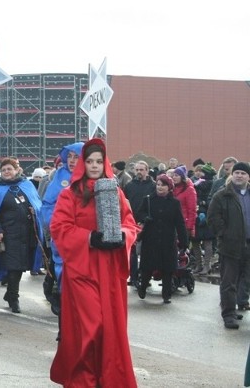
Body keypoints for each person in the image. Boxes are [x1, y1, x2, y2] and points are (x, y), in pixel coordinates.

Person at [49, 138, 138, 387]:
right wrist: (89, 238)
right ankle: (83, 379)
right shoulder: (70, 194)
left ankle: (106, 377)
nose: (95, 165)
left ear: (105, 163)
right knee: (92, 326)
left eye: (99, 161)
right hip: (82, 269)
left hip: (108, 270)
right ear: (82, 164)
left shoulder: (116, 191)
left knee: (110, 329)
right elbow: (59, 227)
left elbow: (130, 224)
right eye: (89, 161)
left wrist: (122, 236)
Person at [0, 157, 43, 313]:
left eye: (9, 169)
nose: (6, 172)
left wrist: (34, 211)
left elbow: (37, 205)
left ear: (17, 170)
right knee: (14, 268)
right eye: (3, 170)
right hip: (9, 235)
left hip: (28, 234)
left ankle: (10, 294)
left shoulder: (27, 185)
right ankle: (14, 298)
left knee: (21, 267)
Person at [40, 142, 83, 315]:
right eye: (69, 156)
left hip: (85, 236)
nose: (72, 161)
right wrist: (55, 225)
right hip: (63, 233)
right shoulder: (59, 176)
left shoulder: (94, 177)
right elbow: (48, 203)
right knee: (63, 267)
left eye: (77, 157)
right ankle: (62, 297)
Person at [207, 162, 250, 329]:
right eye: (236, 172)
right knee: (229, 281)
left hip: (248, 244)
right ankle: (229, 314)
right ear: (232, 175)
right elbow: (213, 218)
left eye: (243, 173)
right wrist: (224, 233)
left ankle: (239, 304)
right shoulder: (222, 195)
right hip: (230, 245)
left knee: (245, 279)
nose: (239, 175)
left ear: (248, 176)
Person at [136, 174, 189, 303]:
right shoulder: (148, 200)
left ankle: (166, 294)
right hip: (150, 239)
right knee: (147, 267)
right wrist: (144, 218)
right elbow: (138, 213)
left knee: (167, 269)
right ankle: (142, 287)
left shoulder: (175, 203)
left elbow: (180, 223)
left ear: (169, 187)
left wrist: (184, 242)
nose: (160, 187)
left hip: (167, 240)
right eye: (158, 185)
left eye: (163, 185)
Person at [123, 161, 157, 286]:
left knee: (145, 251)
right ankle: (133, 277)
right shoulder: (129, 186)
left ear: (147, 171)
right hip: (131, 221)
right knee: (132, 252)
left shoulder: (153, 186)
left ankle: (145, 277)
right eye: (137, 170)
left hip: (148, 222)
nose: (139, 172)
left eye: (141, 170)